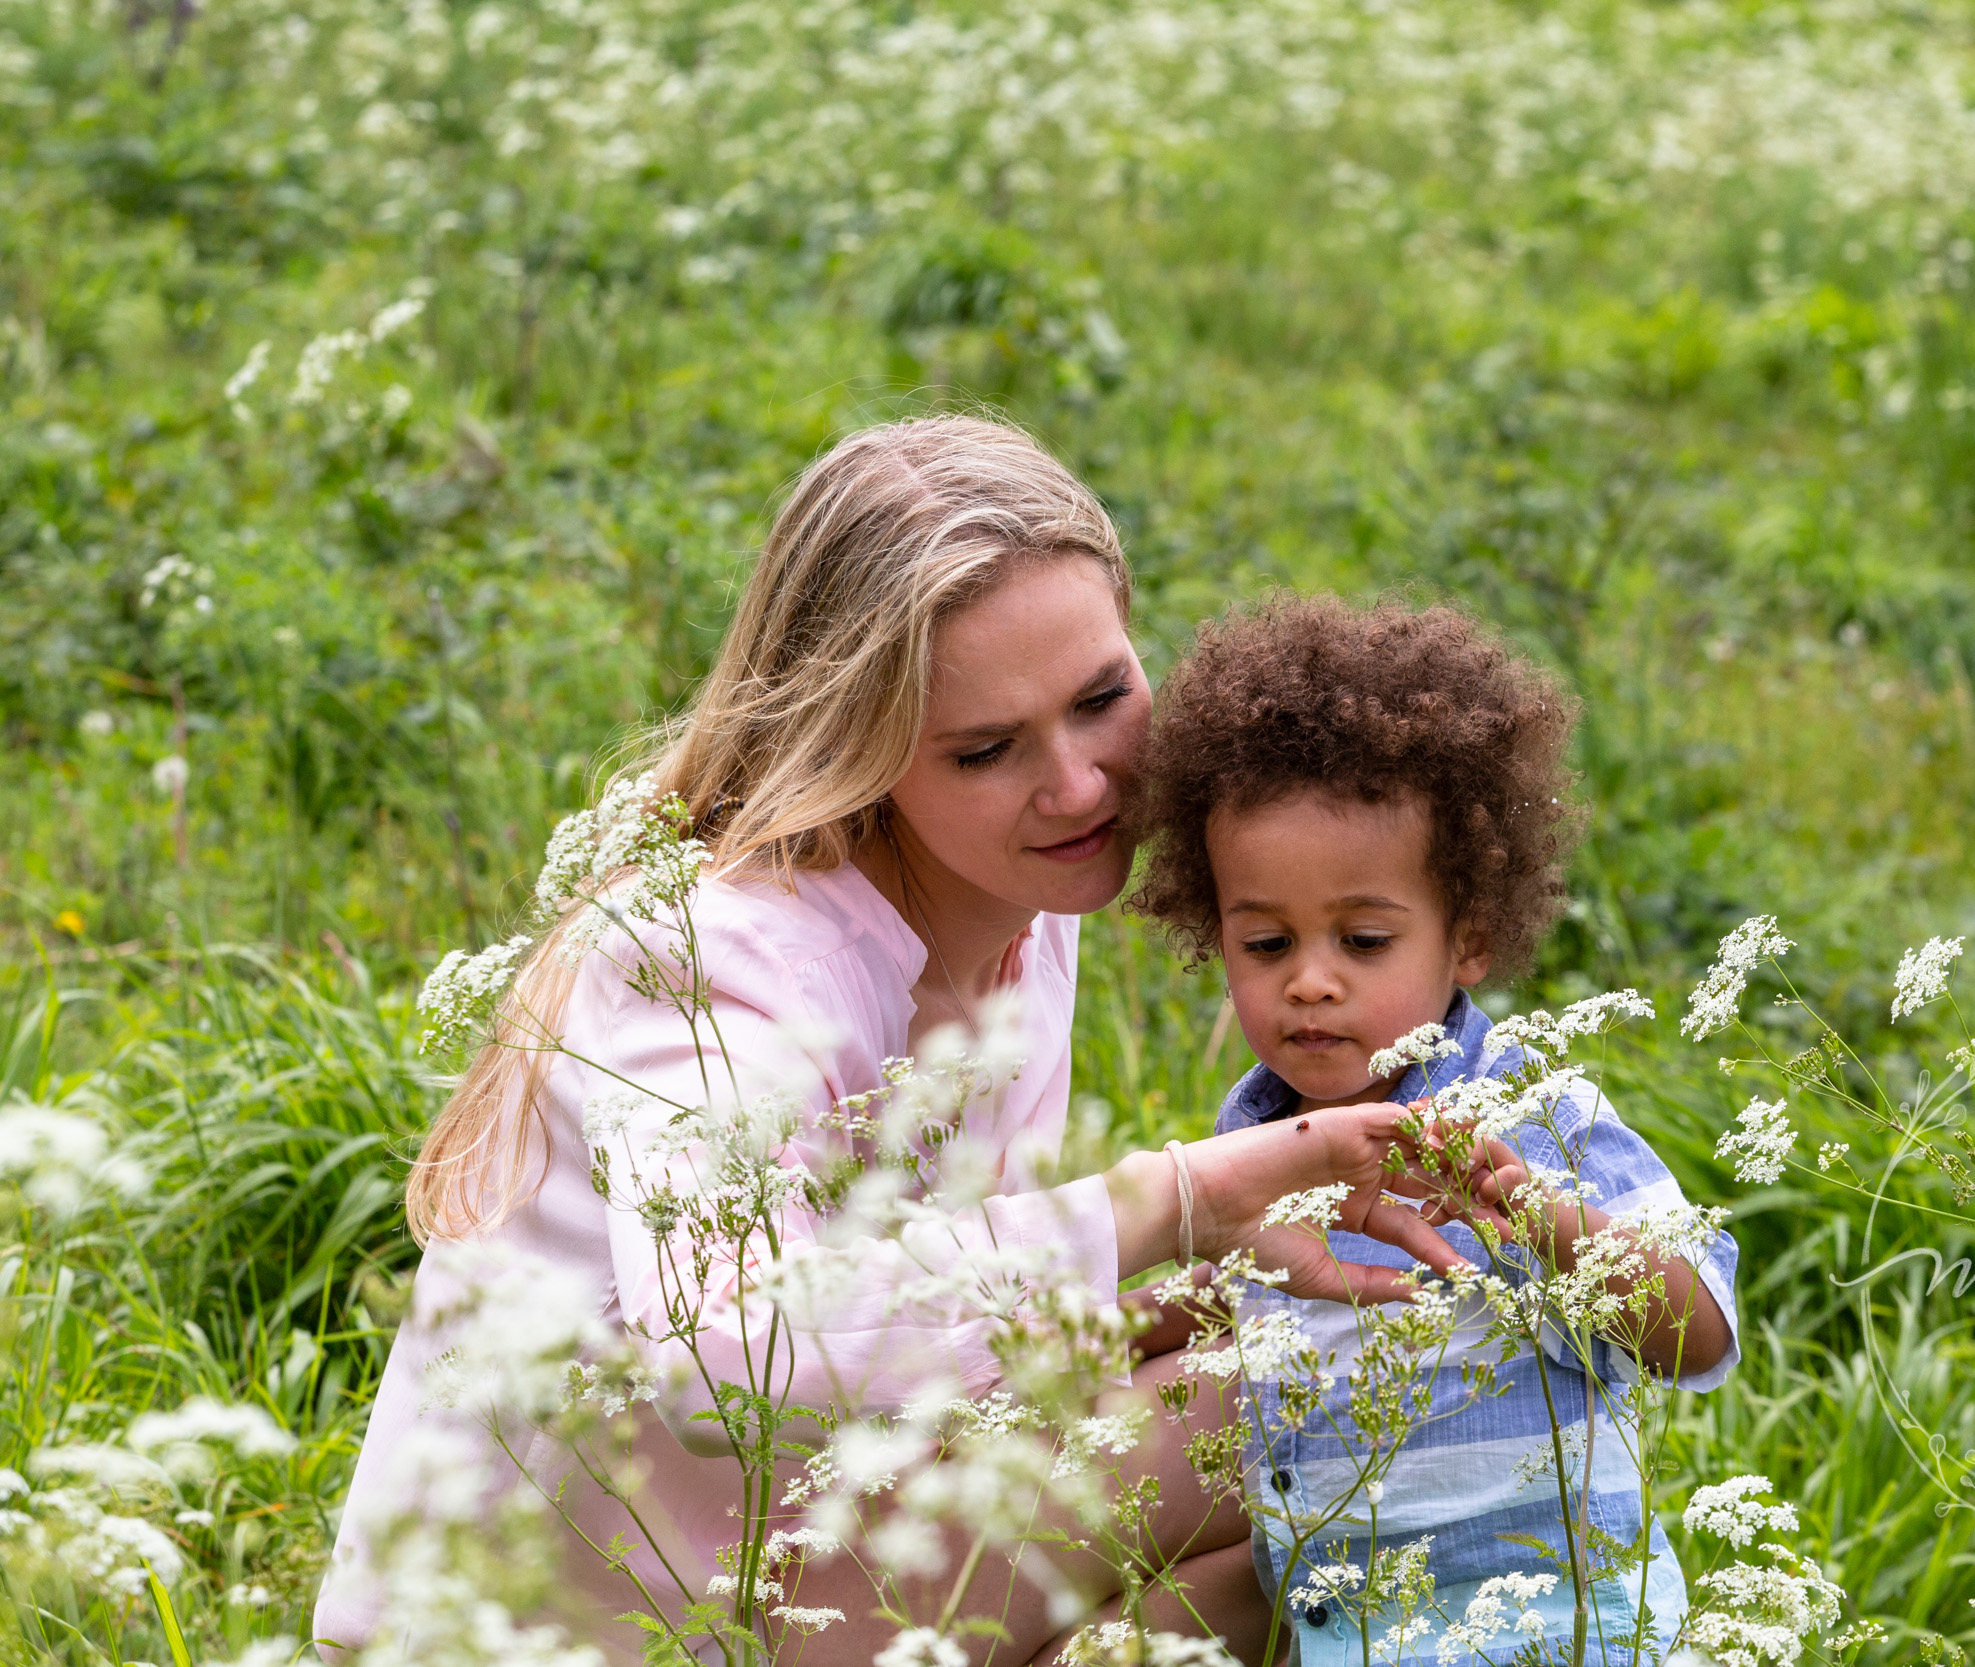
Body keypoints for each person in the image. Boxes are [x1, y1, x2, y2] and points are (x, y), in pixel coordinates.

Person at [314, 419, 1491, 1665]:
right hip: (574, 1626)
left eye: (1103, 698)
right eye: (986, 749)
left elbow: (922, 1332)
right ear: (860, 749)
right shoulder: (719, 957)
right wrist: (1177, 1198)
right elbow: (732, 1348)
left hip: (799, 1558)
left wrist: (1141, 1311)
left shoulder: (1021, 906)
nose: (1081, 786)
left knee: (1282, 1475)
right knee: (1296, 1403)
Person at [1128, 594, 1742, 1665]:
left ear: (1467, 938)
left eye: (1362, 939)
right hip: (1343, 1629)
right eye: (1264, 941)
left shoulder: (1526, 1112)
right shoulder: (1250, 1137)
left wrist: (1542, 1217)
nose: (1309, 980)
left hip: (1555, 1629)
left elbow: (1701, 1333)